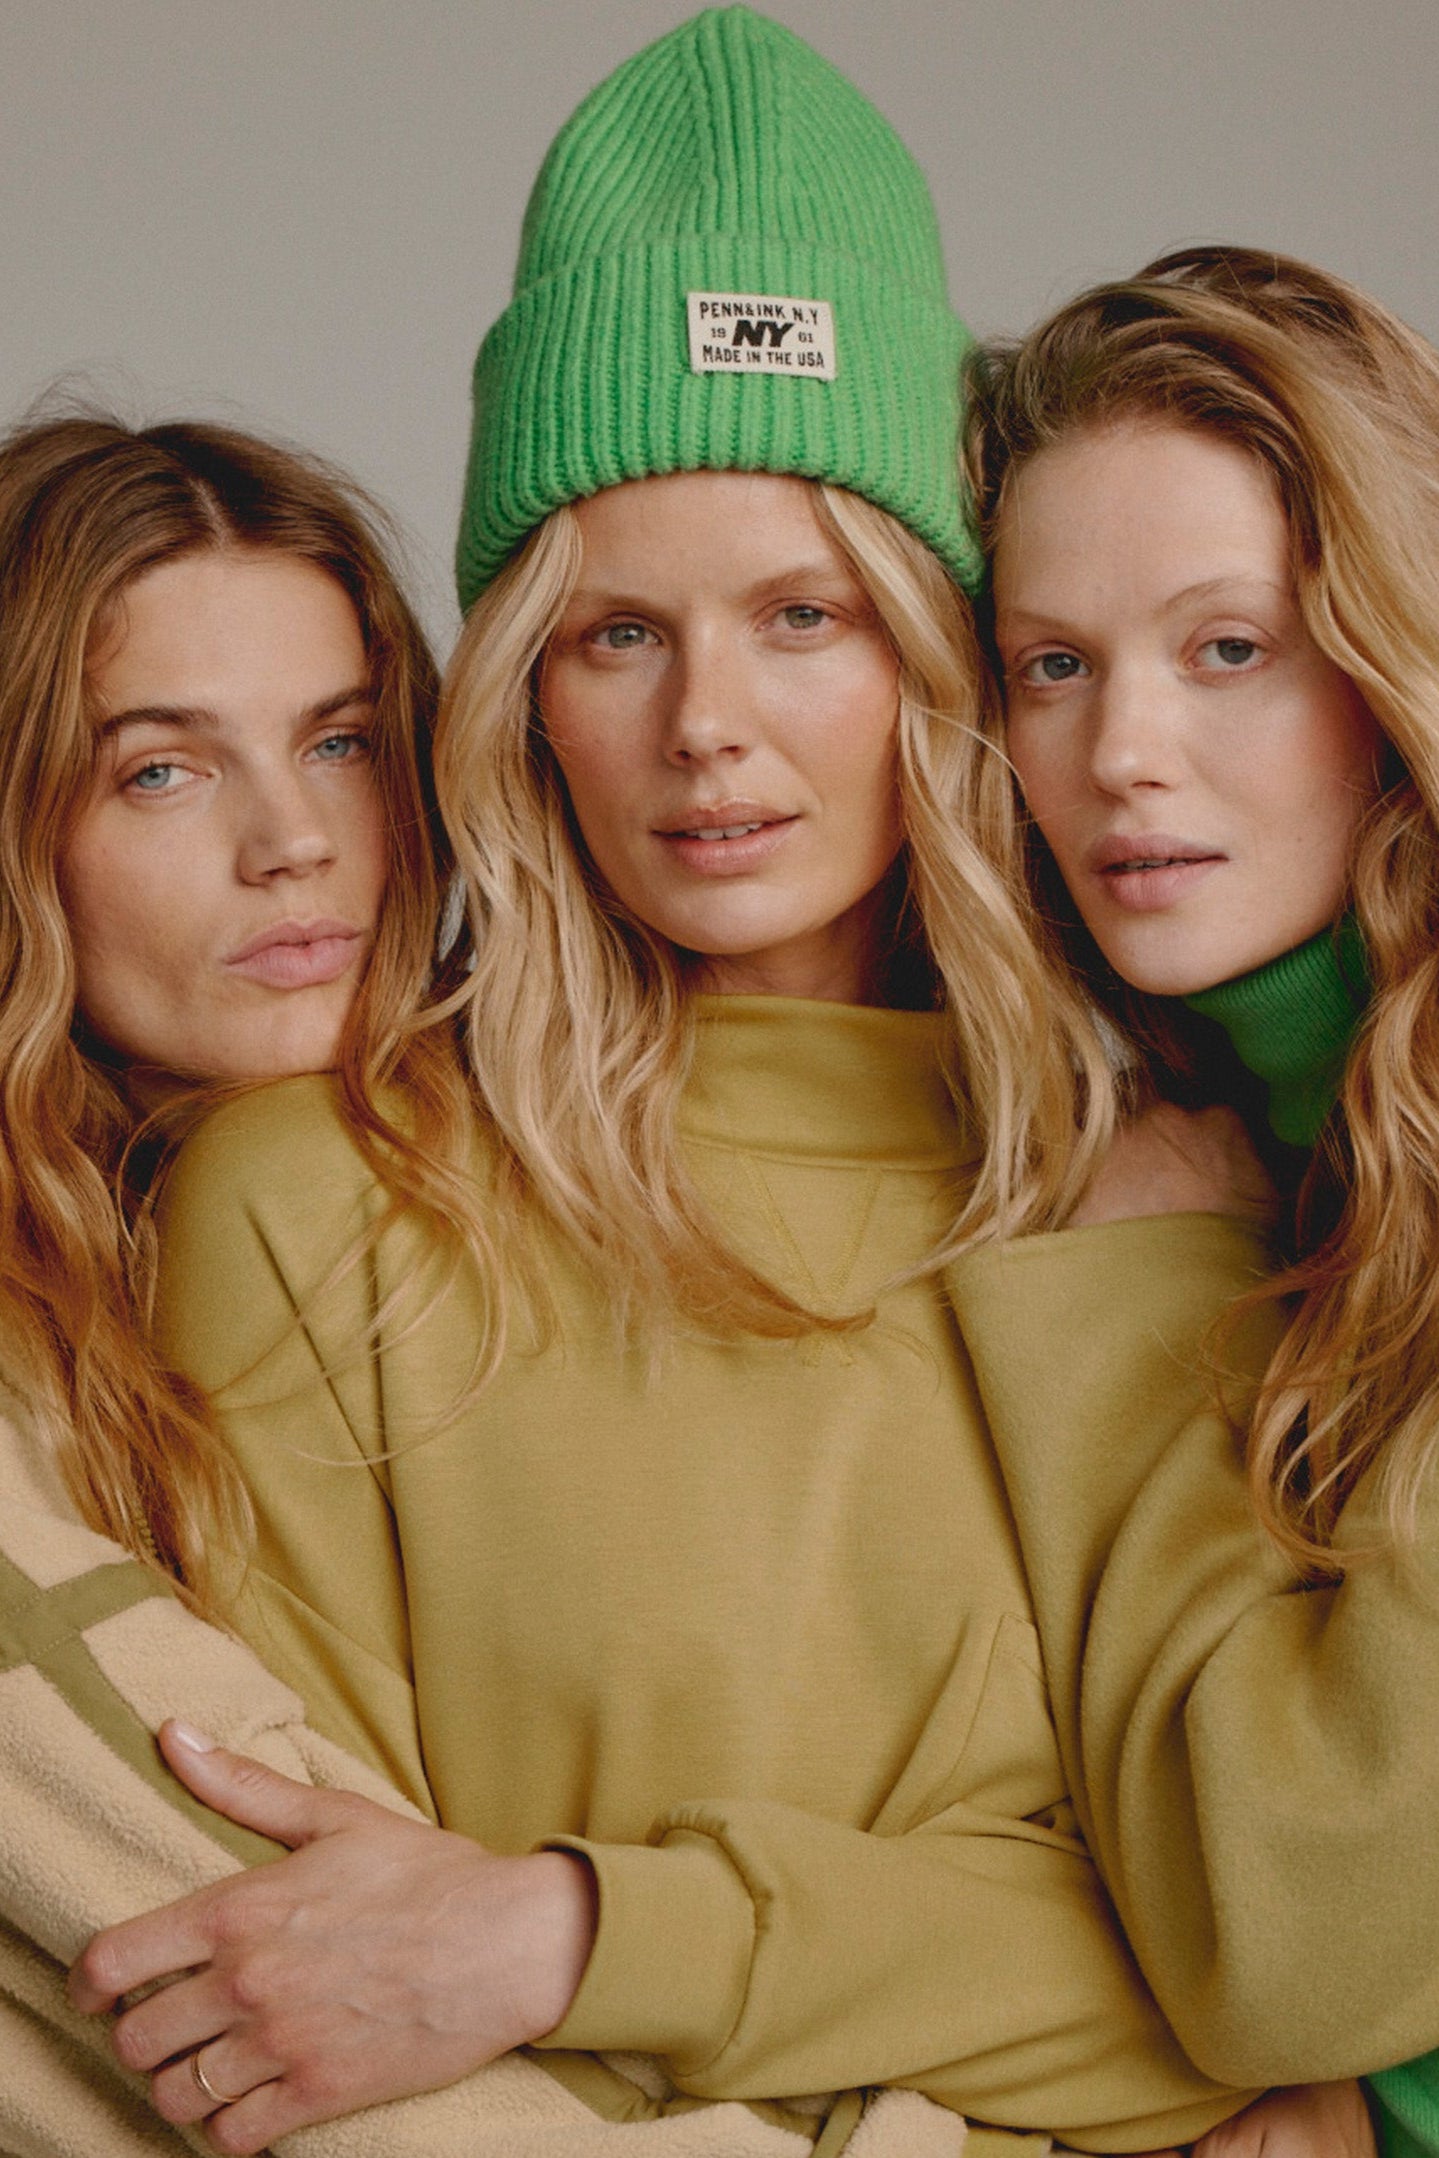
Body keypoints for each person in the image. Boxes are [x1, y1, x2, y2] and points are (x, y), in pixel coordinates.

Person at [63, 15, 1292, 2158]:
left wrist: (567, 1923)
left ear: (936, 642)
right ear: (526, 685)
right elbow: (337, 2002)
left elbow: (1248, 1979)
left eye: (802, 611)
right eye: (616, 632)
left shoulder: (1162, 1192)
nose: (707, 726)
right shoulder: (319, 1198)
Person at [1, 410, 878, 2158]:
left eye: (337, 742)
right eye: (158, 769)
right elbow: (313, 2008)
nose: (292, 841)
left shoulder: (541, 1221)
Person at [960, 243, 1439, 2158]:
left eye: (1227, 646)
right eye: (1052, 666)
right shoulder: (1184, 1105)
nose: (1121, 754)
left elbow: (1290, 1941)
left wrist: (1377, 2087)